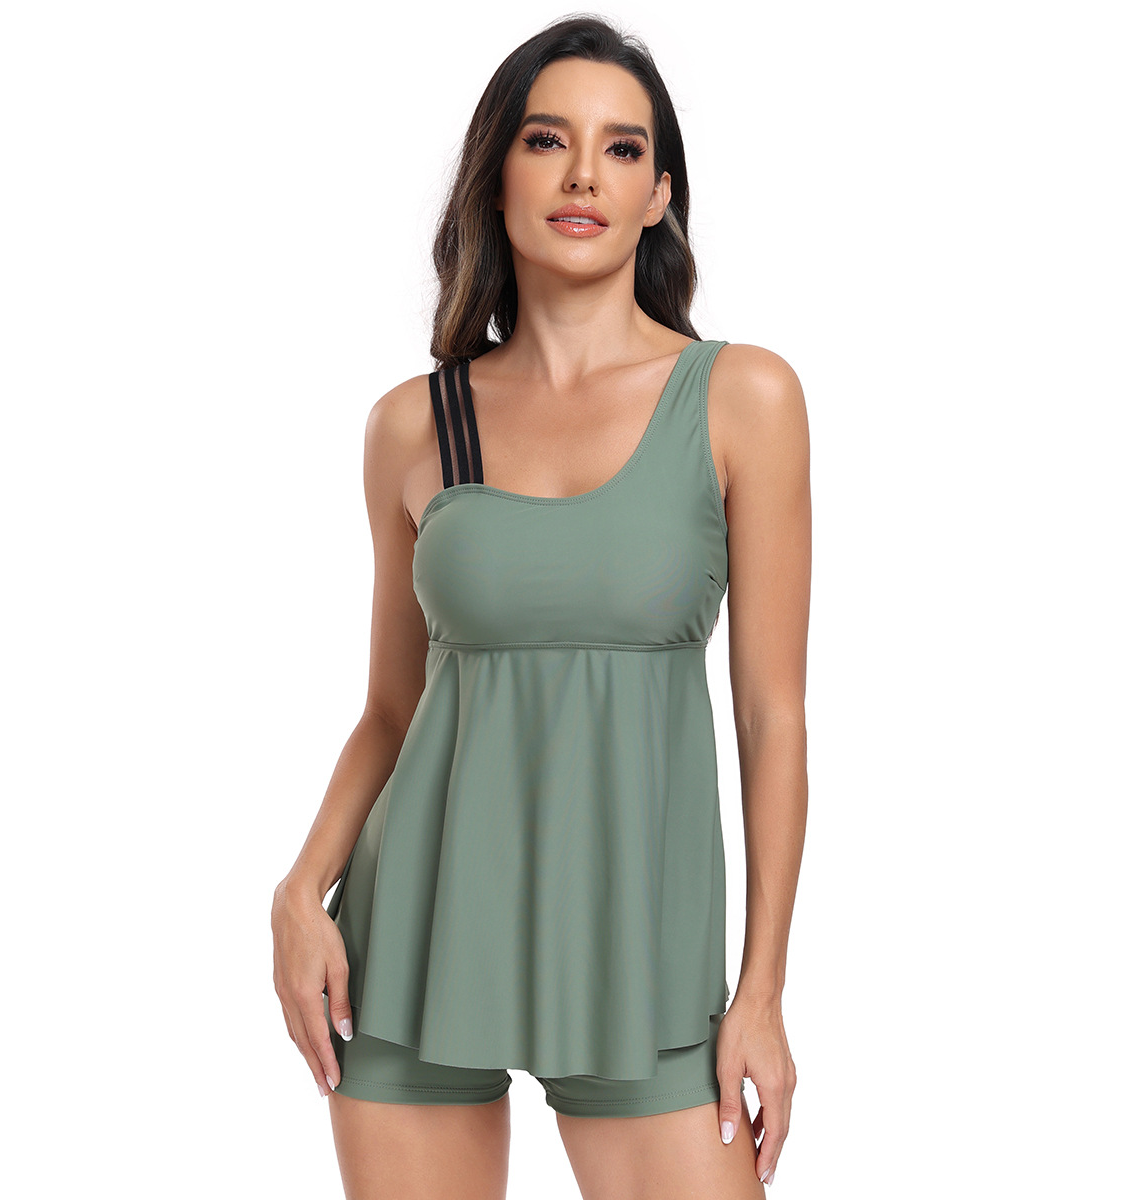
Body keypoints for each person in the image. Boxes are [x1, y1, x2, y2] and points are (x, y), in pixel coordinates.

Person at [271, 14, 809, 1198]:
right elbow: (391, 709)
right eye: (547, 140)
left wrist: (762, 990)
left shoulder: (742, 398)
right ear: (497, 175)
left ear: (660, 195)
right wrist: (299, 891)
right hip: (411, 944)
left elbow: (772, 716)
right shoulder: (413, 425)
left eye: (623, 149)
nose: (582, 176)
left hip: (642, 955)